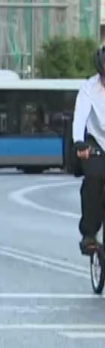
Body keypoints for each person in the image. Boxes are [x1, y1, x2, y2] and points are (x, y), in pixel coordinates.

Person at [72, 45, 105, 255]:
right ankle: (89, 234)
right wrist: (79, 142)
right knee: (93, 178)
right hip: (97, 142)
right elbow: (80, 117)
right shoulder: (88, 88)